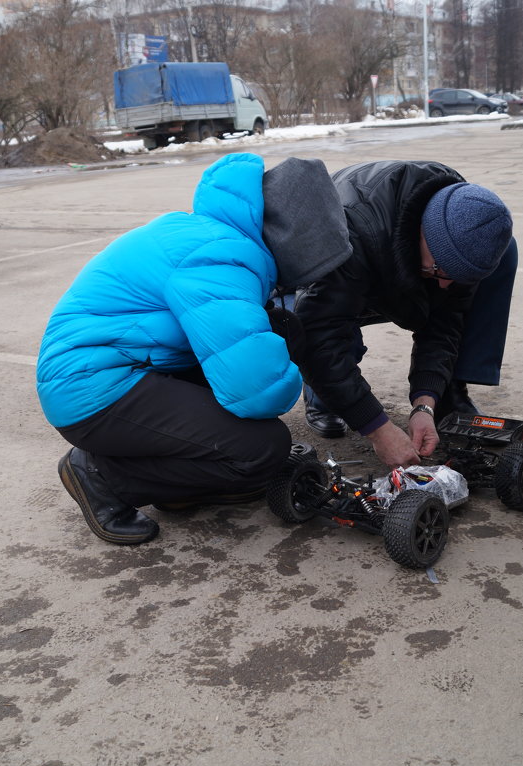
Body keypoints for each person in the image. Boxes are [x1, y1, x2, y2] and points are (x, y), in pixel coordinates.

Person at [36, 153, 351, 545]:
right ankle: (102, 477)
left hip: (119, 366)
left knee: (277, 331)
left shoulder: (213, 233)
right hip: (91, 388)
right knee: (263, 449)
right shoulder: (223, 259)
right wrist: (291, 367)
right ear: (291, 241)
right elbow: (255, 393)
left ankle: (176, 483)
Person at [280, 160, 518, 469]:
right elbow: (320, 333)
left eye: (455, 278)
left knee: (504, 251)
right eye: (439, 270)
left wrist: (425, 403)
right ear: (423, 232)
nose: (446, 284)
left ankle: (449, 389)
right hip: (303, 279)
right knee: (324, 335)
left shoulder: (461, 220)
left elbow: (444, 324)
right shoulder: (350, 234)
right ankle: (320, 396)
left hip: (386, 267)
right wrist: (377, 429)